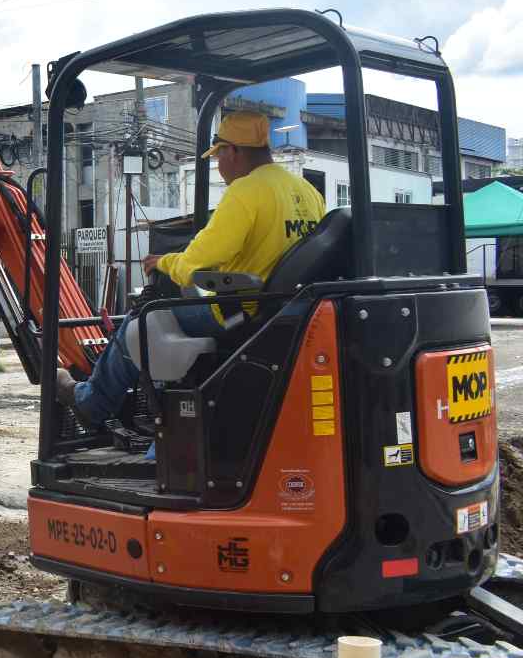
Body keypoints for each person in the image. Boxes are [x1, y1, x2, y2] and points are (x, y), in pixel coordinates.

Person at [59, 111, 326, 428]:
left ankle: (93, 402)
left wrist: (163, 262)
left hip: (240, 313)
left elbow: (194, 265)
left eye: (219, 156)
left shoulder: (246, 191)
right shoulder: (308, 192)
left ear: (233, 151)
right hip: (288, 312)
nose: (220, 165)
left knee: (140, 321)